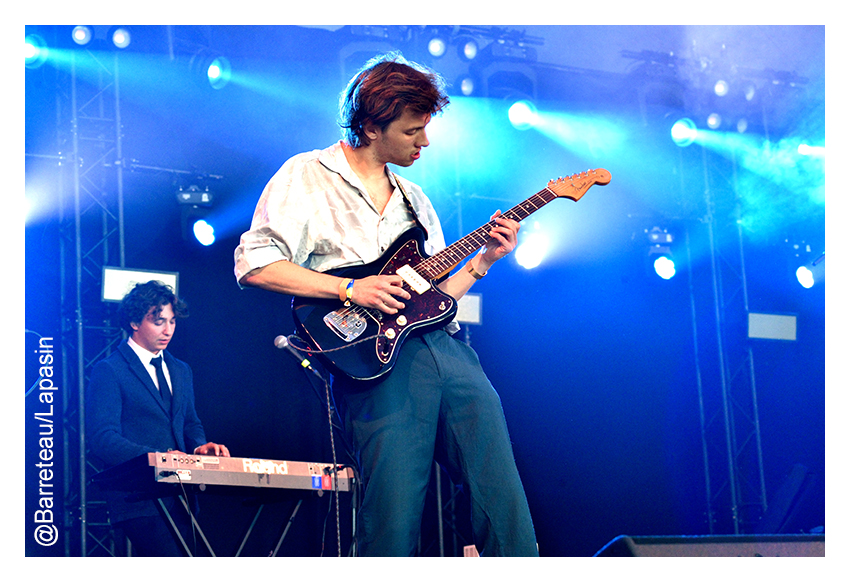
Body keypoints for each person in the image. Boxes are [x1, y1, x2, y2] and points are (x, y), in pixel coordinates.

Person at [234, 52, 537, 556]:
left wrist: (484, 261)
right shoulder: (305, 174)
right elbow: (255, 265)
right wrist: (350, 289)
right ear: (372, 126)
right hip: (375, 363)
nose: (425, 141)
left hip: (449, 352)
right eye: (413, 130)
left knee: (502, 497)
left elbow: (435, 299)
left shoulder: (414, 197)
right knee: (392, 517)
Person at [87, 280, 230, 556]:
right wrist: (157, 458)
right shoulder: (109, 370)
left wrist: (200, 446)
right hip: (138, 499)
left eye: (172, 322)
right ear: (134, 322)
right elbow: (102, 438)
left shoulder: (181, 370)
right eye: (158, 321)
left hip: (182, 497)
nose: (168, 330)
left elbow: (190, 422)